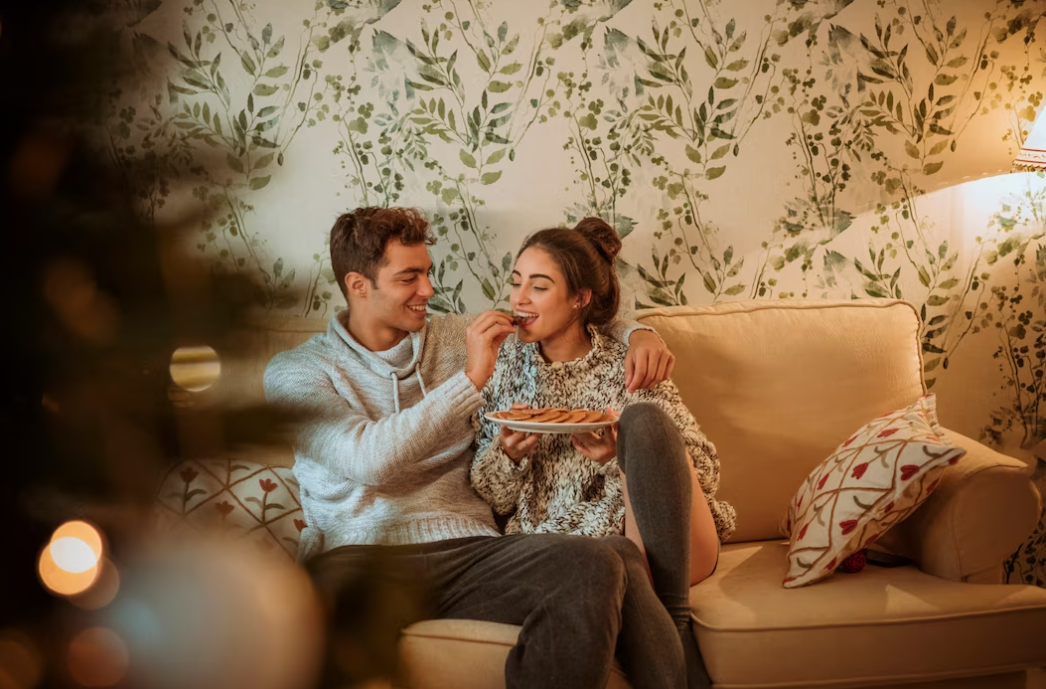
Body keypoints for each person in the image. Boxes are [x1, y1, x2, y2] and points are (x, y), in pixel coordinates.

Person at [264, 207, 688, 689]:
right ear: (359, 285)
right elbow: (366, 459)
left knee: (597, 562)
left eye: (427, 273)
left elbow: (557, 313)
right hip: (358, 560)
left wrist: (639, 333)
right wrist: (469, 379)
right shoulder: (295, 372)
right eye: (409, 278)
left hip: (471, 553)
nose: (428, 290)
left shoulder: (453, 336)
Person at [470, 217, 738, 689]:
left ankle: (672, 612)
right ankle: (674, 638)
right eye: (516, 284)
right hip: (576, 554)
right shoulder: (503, 367)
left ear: (580, 298)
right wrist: (509, 455)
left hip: (668, 542)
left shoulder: (630, 360)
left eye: (538, 286)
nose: (518, 300)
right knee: (613, 555)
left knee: (643, 421)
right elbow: (493, 495)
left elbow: (705, 471)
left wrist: (621, 457)